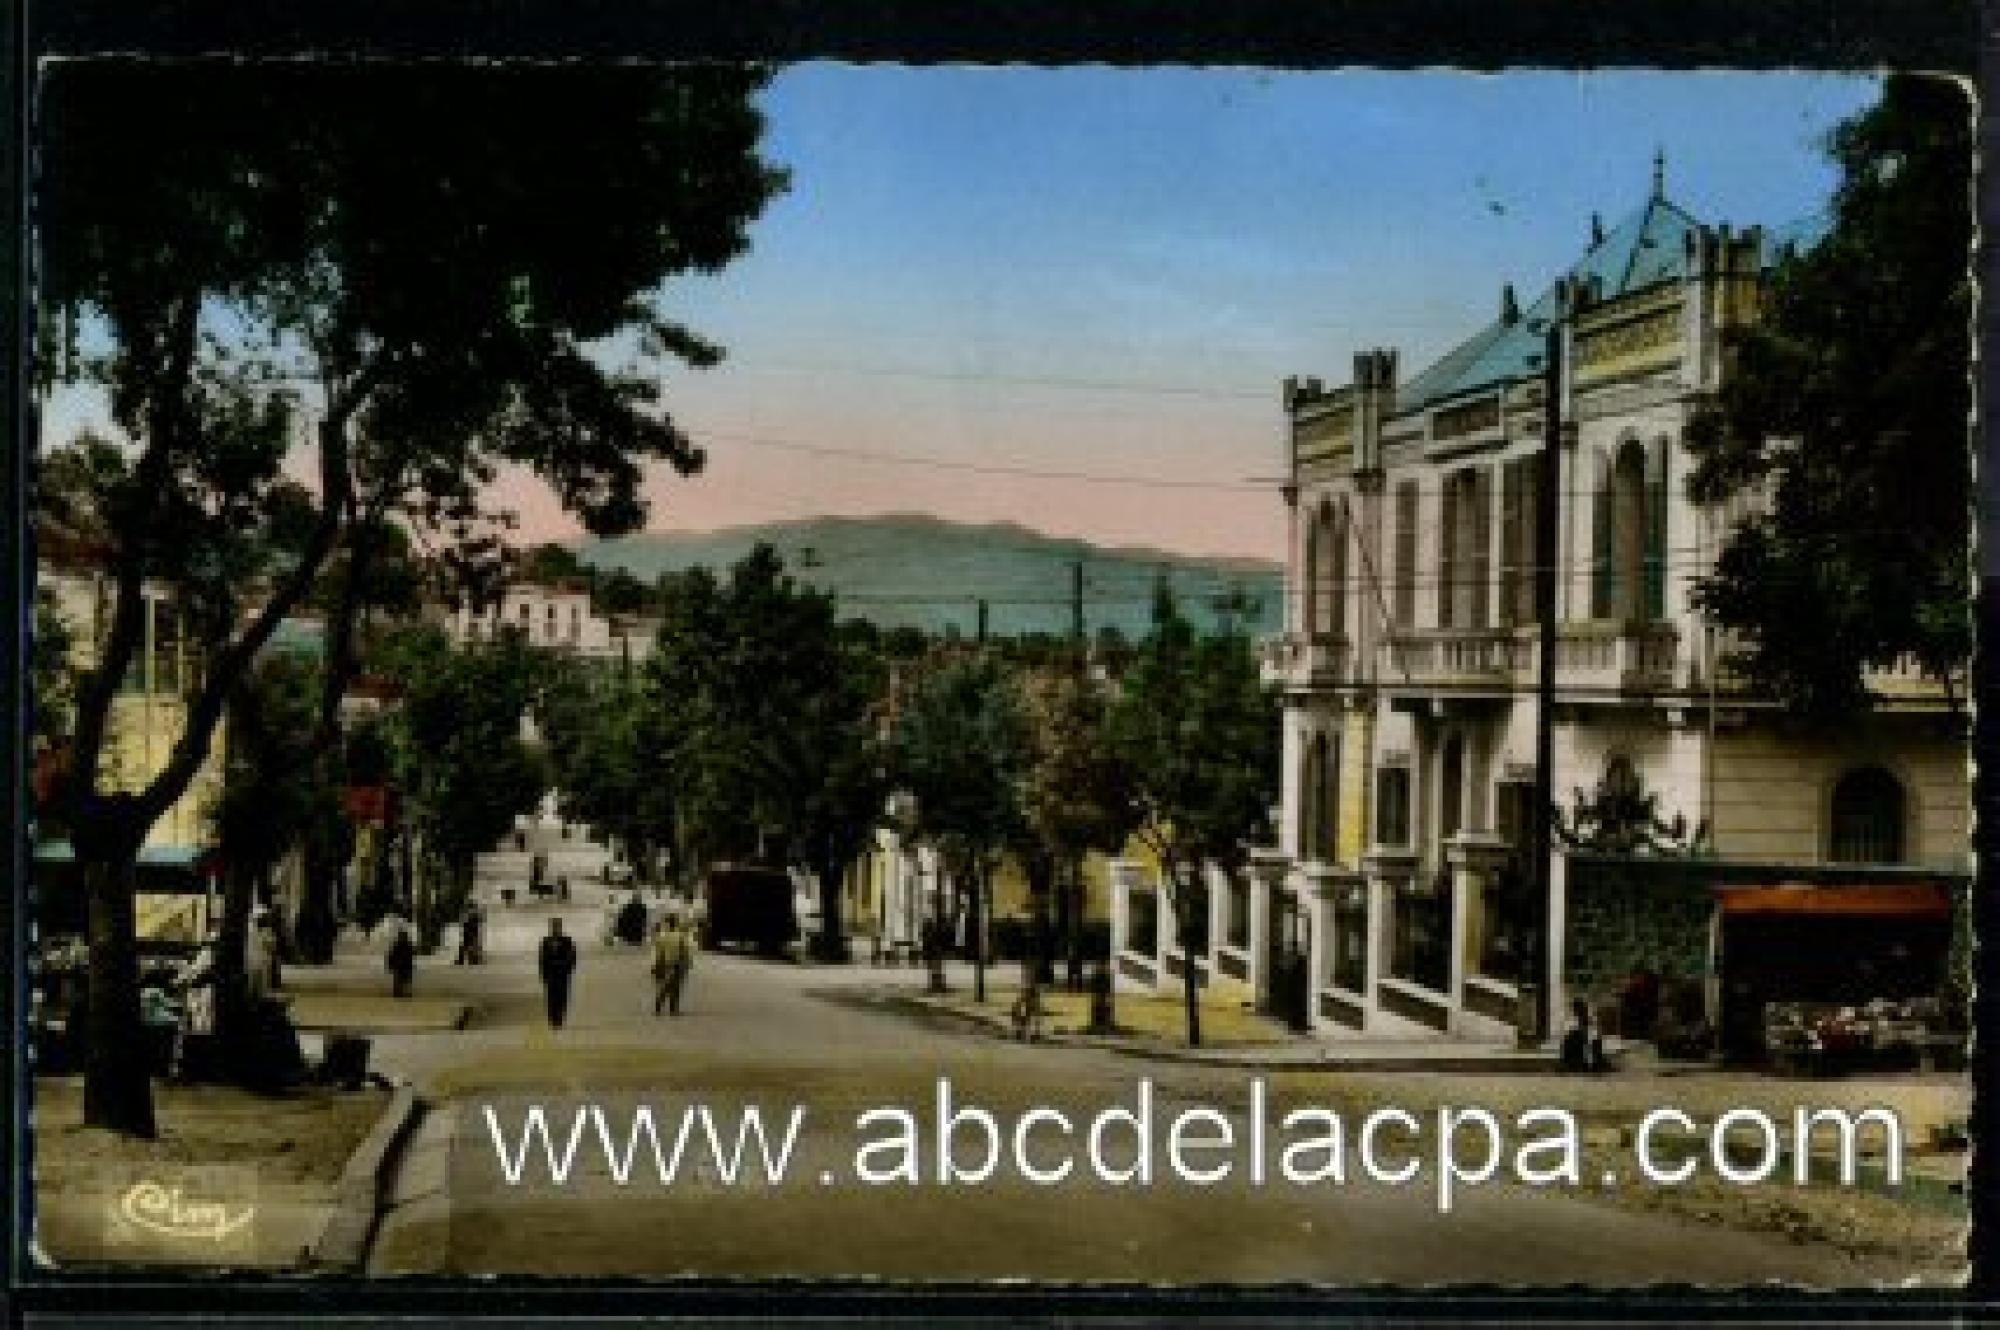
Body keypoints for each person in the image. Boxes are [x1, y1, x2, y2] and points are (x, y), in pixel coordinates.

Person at [651, 914, 695, 1016]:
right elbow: (685, 951)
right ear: (676, 923)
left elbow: (659, 953)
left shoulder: (662, 937)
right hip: (678, 963)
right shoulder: (680, 937)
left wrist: (657, 965)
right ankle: (673, 1008)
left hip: (666, 963)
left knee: (666, 984)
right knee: (676, 987)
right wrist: (688, 963)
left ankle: (660, 1004)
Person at [539, 917, 578, 1029]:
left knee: (562, 996)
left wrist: (568, 969)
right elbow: (542, 959)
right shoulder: (546, 941)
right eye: (554, 927)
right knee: (551, 997)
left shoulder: (567, 941)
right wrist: (543, 974)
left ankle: (560, 1018)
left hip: (562, 974)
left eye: (557, 927)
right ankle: (552, 1018)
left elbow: (572, 957)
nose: (556, 929)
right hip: (551, 974)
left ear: (560, 928)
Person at [386, 924, 416, 999]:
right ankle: (401, 994)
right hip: (401, 967)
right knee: (402, 982)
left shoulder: (402, 946)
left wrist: (391, 965)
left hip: (403, 967)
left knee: (403, 982)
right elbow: (392, 956)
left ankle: (401, 994)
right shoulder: (403, 946)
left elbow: (392, 956)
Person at [456, 900, 484, 966]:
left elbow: (463, 922)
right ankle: (474, 960)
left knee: (466, 945)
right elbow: (479, 921)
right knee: (473, 945)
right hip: (473, 930)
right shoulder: (475, 913)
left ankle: (462, 960)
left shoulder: (466, 913)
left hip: (468, 930)